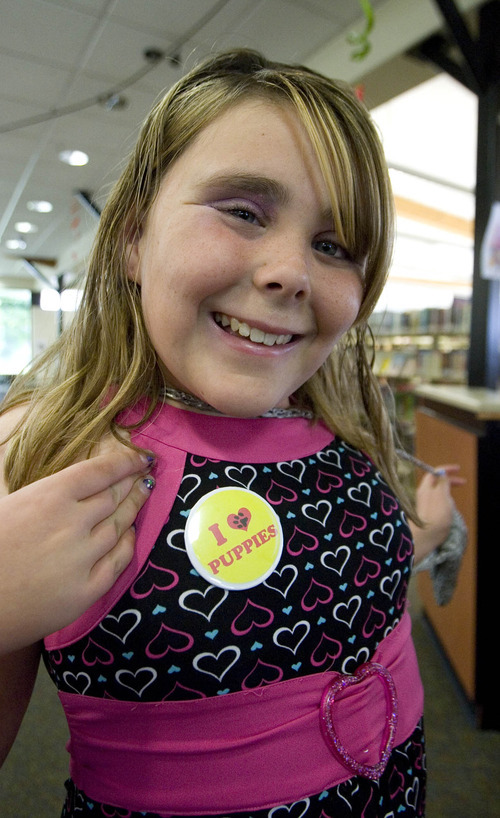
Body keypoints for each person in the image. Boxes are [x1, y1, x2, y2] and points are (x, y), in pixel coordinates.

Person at [0, 48, 460, 817]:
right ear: (133, 238)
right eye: (244, 212)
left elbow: (339, 605)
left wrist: (418, 538)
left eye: (335, 245)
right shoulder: (47, 446)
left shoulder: (343, 413)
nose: (291, 272)